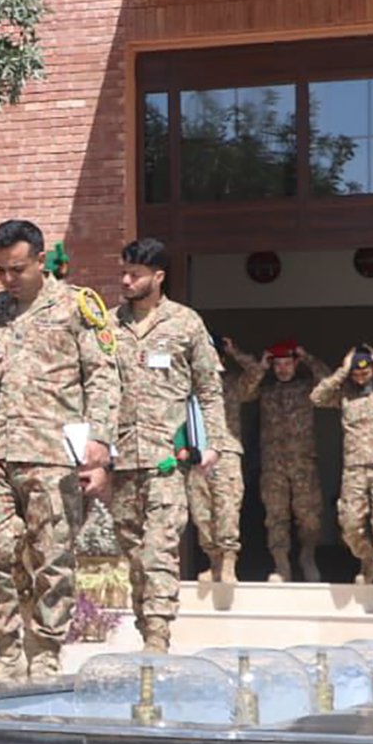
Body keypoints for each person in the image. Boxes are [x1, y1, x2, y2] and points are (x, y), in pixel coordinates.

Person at [0, 221, 119, 683]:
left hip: (53, 451)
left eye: (16, 269)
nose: (8, 279)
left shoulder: (77, 306)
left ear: (39, 260)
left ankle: (45, 647)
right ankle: (7, 647)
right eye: (1, 270)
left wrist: (100, 444)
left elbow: (103, 376)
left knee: (52, 557)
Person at [112, 237, 225, 654]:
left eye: (135, 274)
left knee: (160, 550)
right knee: (135, 555)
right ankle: (147, 629)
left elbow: (209, 390)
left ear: (158, 277)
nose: (126, 281)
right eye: (123, 272)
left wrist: (210, 443)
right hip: (122, 461)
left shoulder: (185, 323)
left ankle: (158, 637)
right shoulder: (108, 325)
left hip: (167, 460)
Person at [312, 345, 373, 614]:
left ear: (372, 371)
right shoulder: (344, 395)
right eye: (355, 372)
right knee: (351, 525)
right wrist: (342, 370)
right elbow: (318, 396)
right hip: (354, 468)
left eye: (364, 371)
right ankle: (367, 560)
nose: (359, 376)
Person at [242, 340, 330, 582]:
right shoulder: (266, 390)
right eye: (278, 364)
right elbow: (245, 390)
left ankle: (307, 555)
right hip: (273, 466)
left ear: (295, 363)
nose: (282, 369)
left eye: (287, 363)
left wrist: (308, 357)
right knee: (275, 517)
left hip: (303, 464)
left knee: (309, 518)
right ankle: (281, 565)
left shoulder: (307, 388)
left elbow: (329, 383)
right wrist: (261, 367)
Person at [190, 336, 264, 588]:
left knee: (227, 510)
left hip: (227, 452)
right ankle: (213, 562)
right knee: (202, 514)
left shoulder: (231, 384)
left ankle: (229, 561)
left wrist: (235, 352)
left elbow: (256, 372)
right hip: (197, 456)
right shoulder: (190, 387)